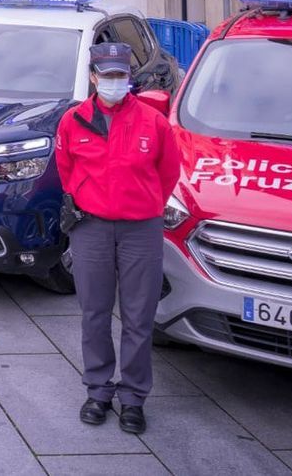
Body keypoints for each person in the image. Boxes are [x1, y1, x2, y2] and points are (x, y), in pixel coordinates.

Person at [54, 43, 182, 435]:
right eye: (107, 75)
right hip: (90, 227)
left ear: (130, 77)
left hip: (140, 229)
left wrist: (142, 207)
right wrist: (90, 201)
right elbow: (66, 169)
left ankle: (133, 397)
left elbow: (169, 172)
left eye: (121, 74)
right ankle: (98, 389)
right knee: (94, 313)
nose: (115, 81)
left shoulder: (152, 121)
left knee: (138, 317)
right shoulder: (73, 121)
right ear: (93, 77)